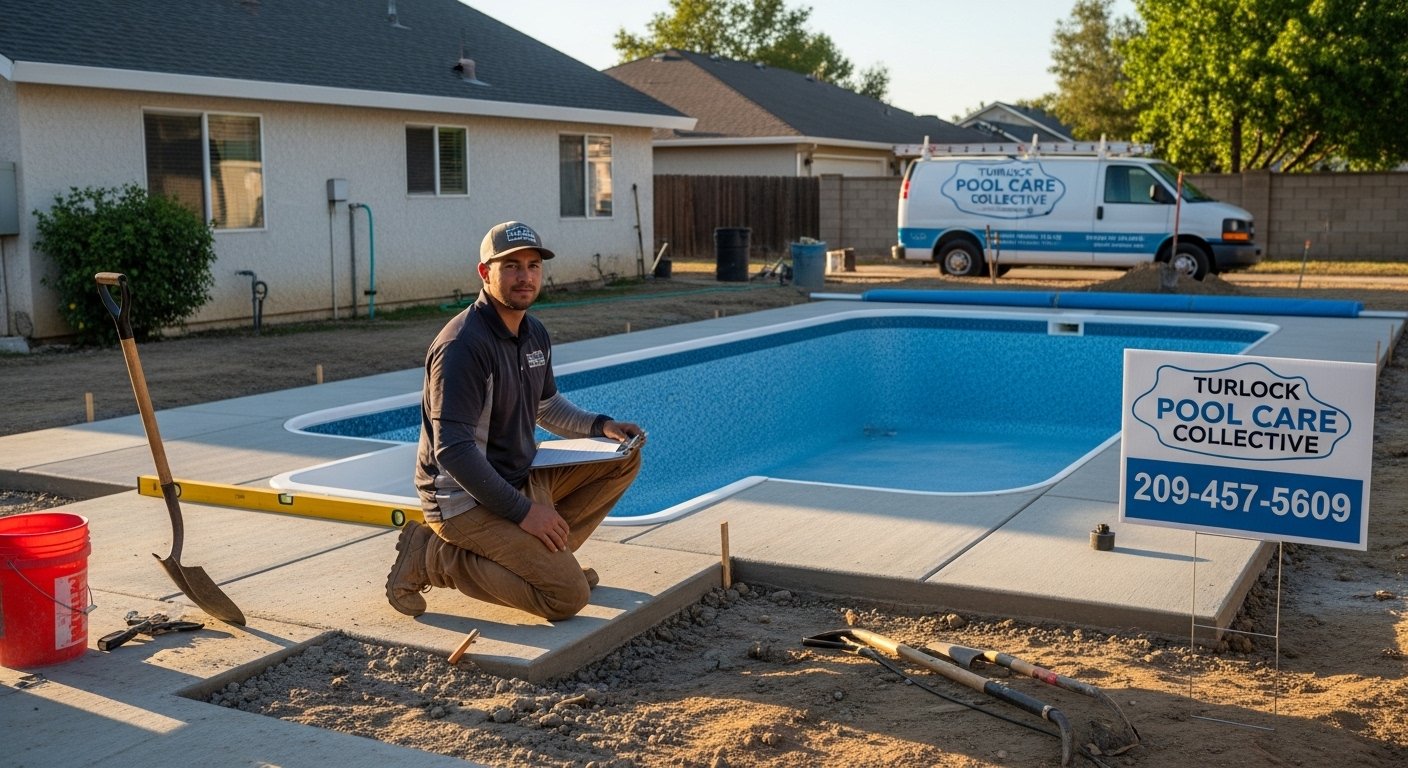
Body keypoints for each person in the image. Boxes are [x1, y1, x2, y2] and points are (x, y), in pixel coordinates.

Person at [386, 221, 645, 621]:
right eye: (511, 266)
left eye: (533, 265)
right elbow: (452, 450)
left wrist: (601, 426)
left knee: (622, 459)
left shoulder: (533, 332)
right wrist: (525, 513)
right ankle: (432, 556)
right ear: (485, 272)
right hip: (461, 499)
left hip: (517, 476)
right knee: (566, 599)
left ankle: (546, 564)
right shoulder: (463, 346)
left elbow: (546, 405)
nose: (525, 276)